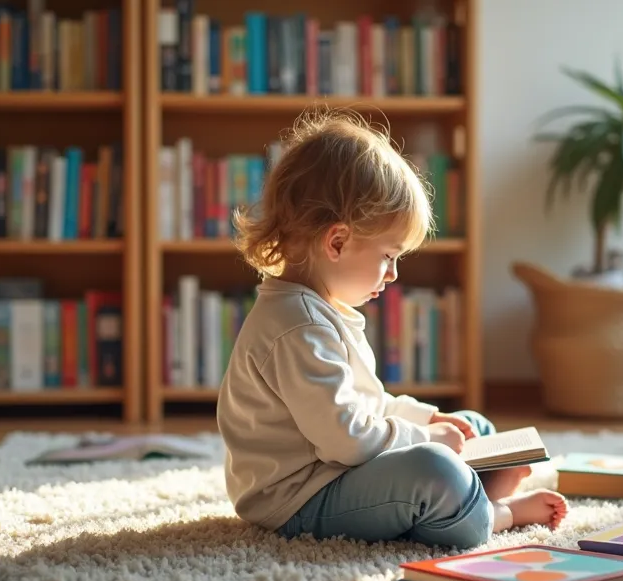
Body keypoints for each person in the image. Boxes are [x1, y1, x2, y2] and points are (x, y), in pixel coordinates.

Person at [215, 109, 568, 549]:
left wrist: (428, 418)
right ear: (337, 242)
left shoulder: (321, 310)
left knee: (469, 424)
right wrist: (425, 436)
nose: (393, 274)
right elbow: (349, 440)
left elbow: (370, 404)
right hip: (300, 497)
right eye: (389, 256)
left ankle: (471, 494)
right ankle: (494, 513)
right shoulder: (297, 328)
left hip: (338, 468)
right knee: (435, 468)